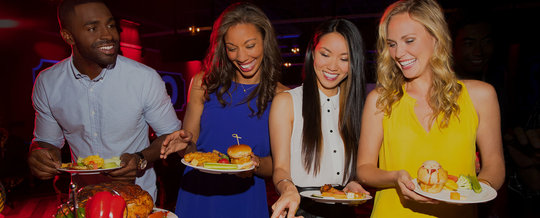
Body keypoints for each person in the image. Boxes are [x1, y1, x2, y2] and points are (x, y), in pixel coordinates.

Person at [27, 0, 189, 201]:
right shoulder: (48, 82)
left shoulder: (143, 78)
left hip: (136, 201)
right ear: (68, 36)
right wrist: (40, 154)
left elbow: (171, 136)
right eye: (92, 28)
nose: (108, 35)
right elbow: (47, 141)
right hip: (83, 199)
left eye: (111, 25)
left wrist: (140, 159)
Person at [356, 0, 505, 217]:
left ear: (436, 39)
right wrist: (395, 178)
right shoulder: (380, 100)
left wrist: (470, 193)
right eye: (392, 44)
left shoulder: (481, 96)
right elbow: (364, 169)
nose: (398, 53)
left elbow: (495, 166)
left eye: (409, 40)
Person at [159, 2, 288, 217]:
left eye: (250, 45)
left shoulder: (282, 96)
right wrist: (183, 145)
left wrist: (254, 163)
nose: (242, 57)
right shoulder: (203, 83)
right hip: (197, 196)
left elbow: (279, 165)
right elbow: (191, 151)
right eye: (232, 48)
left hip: (245, 201)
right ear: (222, 48)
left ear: (265, 41)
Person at [270, 19, 369, 218]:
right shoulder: (287, 102)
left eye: (344, 58)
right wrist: (287, 189)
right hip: (301, 209)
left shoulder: (358, 106)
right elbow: (280, 168)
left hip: (345, 211)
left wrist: (354, 182)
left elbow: (357, 168)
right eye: (325, 54)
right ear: (312, 53)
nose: (333, 66)